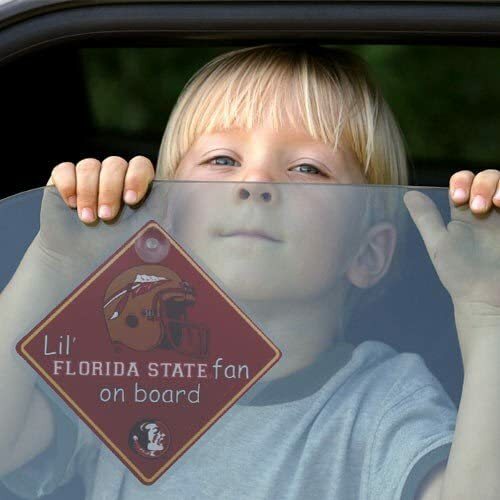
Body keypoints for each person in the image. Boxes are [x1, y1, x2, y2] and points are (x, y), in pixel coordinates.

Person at [1, 44, 500, 500]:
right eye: (223, 159)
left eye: (308, 169)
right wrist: (55, 264)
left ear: (367, 255)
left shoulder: (381, 400)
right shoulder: (124, 368)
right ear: (165, 219)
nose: (256, 181)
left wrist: (487, 312)